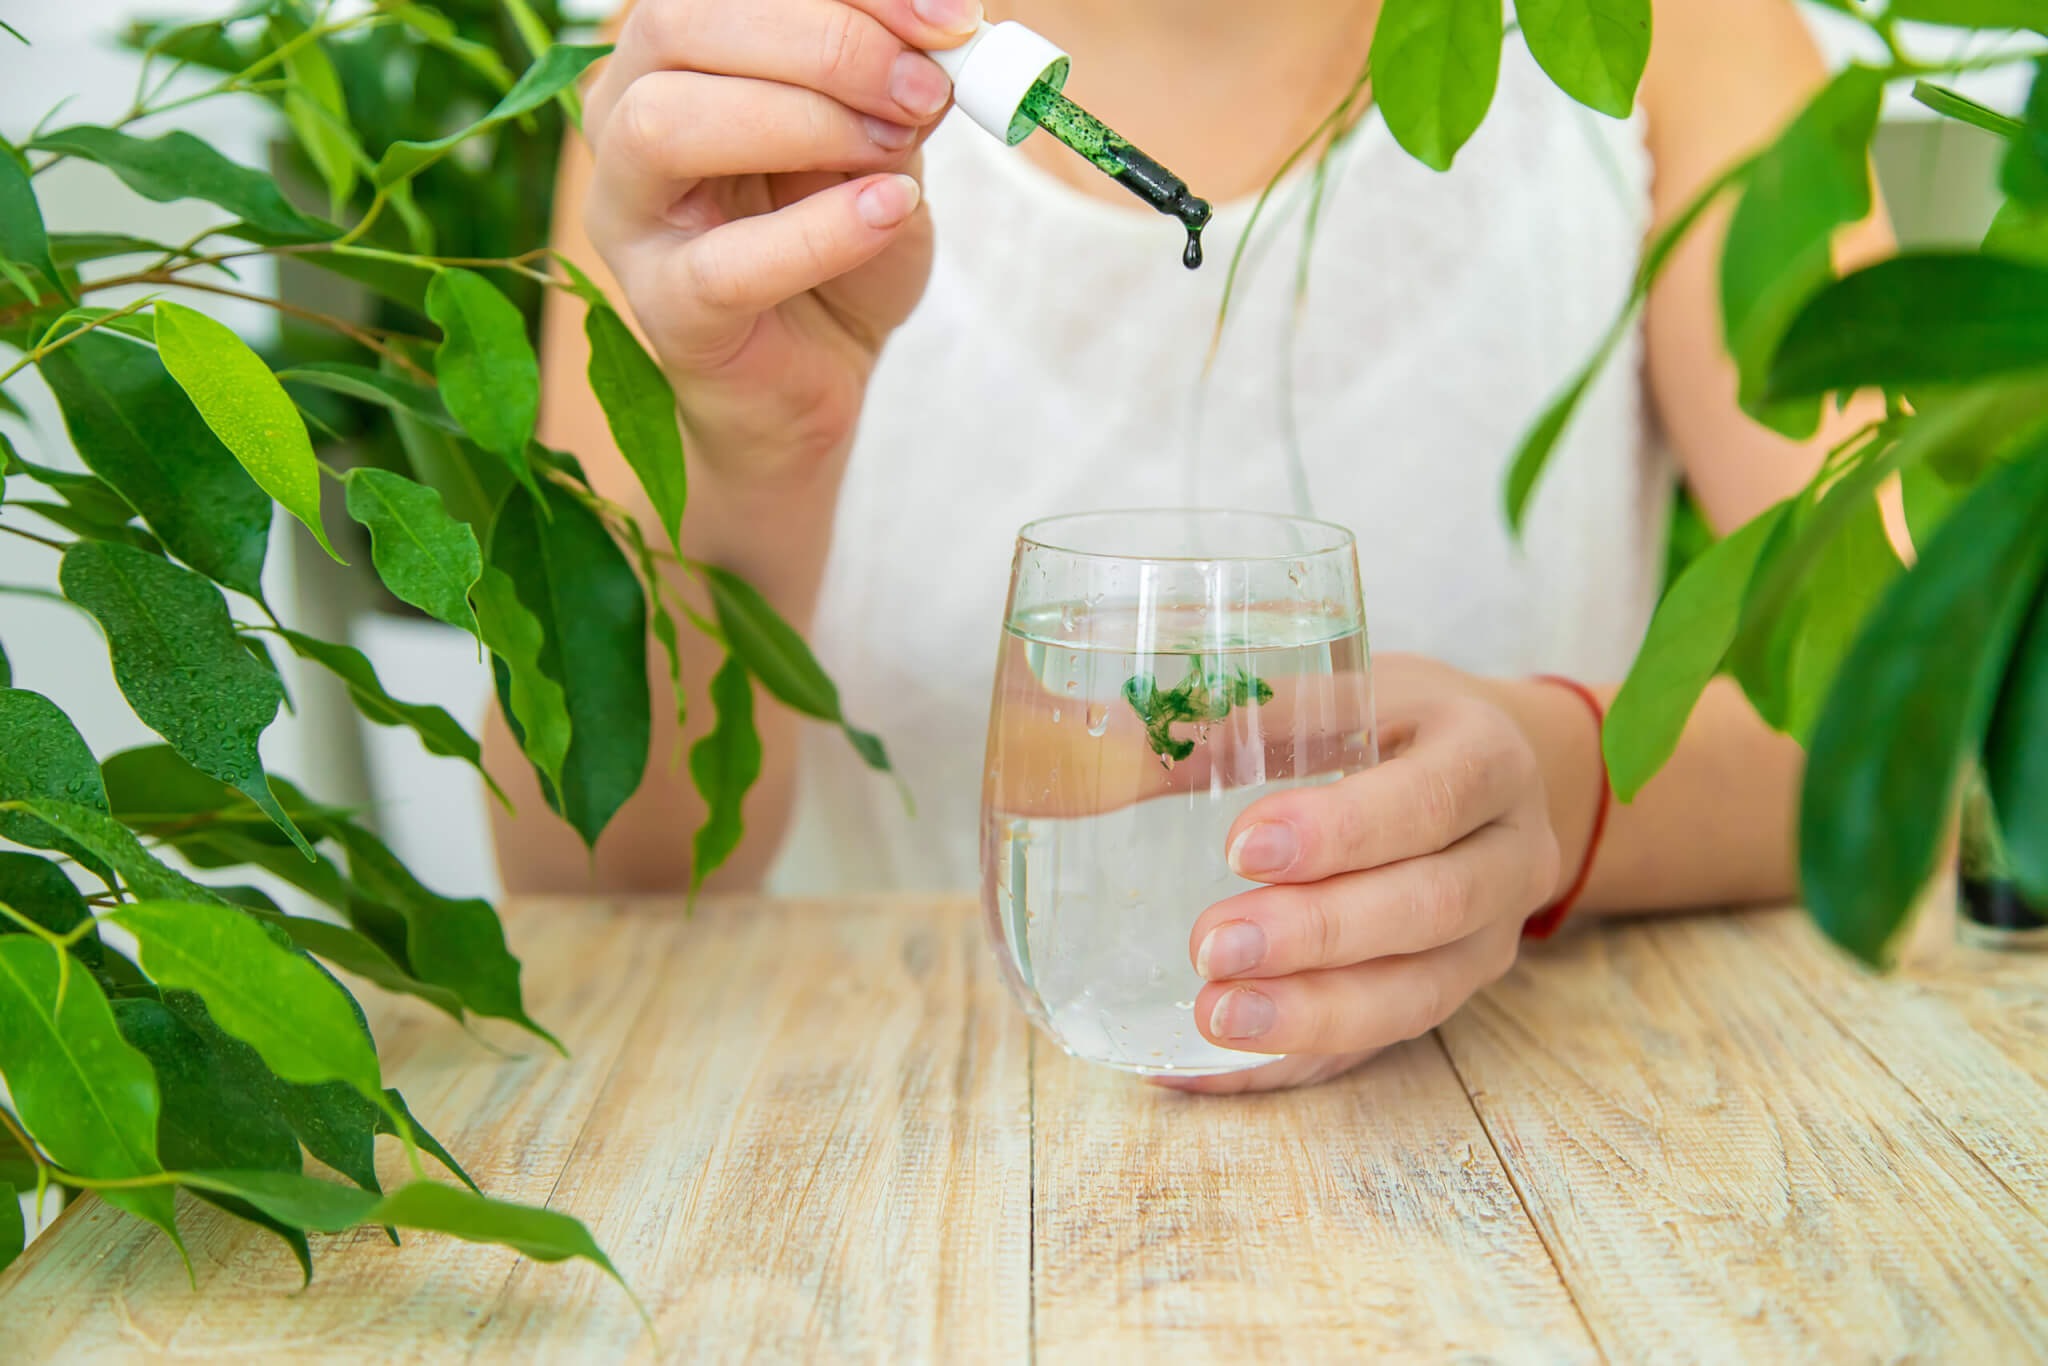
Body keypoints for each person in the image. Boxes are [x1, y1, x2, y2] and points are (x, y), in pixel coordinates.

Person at [488, 0, 1893, 1092]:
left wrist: (1562, 788)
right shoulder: (724, 81)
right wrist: (744, 455)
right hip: (870, 1165)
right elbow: (590, 863)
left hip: (1504, 1171)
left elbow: (1916, 721)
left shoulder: (1657, 40)